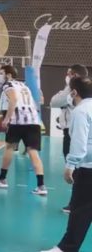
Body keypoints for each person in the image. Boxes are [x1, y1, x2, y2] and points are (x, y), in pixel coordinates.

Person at [41, 77, 92, 252]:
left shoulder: (81, 111)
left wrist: (70, 165)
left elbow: (79, 142)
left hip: (88, 169)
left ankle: (66, 249)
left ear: (74, 92)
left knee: (79, 210)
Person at [0, 65, 47, 195]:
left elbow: (14, 99)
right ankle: (41, 186)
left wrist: (6, 119)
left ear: (8, 74)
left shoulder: (7, 85)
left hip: (18, 121)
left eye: (1, 73)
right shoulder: (24, 86)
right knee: (33, 152)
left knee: (10, 147)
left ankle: (2, 179)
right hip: (33, 121)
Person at [52, 64, 89, 213]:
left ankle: (75, 203)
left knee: (78, 170)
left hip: (74, 133)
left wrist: (70, 88)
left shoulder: (76, 93)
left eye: (69, 74)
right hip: (71, 131)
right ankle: (76, 202)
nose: (66, 76)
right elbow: (54, 101)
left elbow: (55, 101)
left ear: (74, 75)